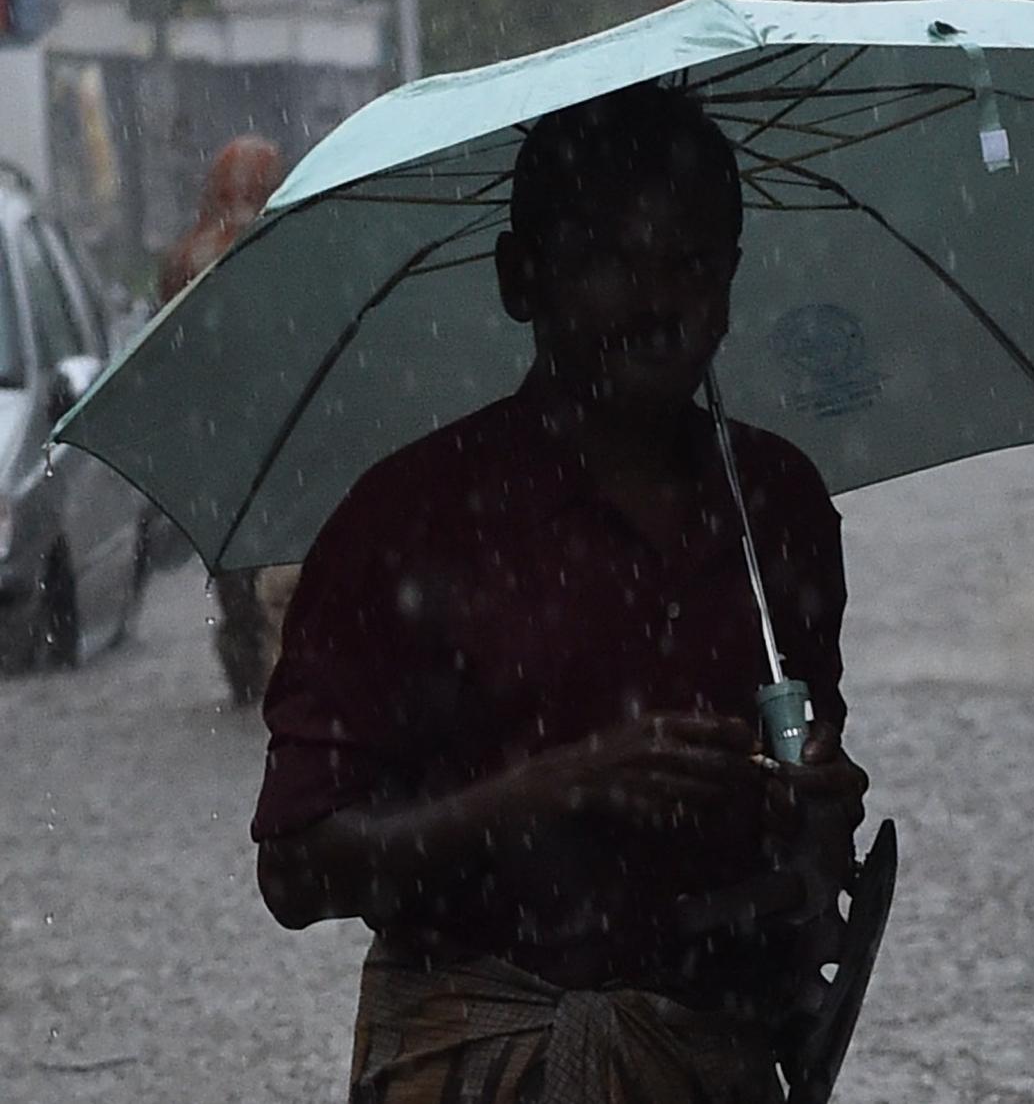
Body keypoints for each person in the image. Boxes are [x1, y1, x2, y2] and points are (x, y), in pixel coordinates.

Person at [250, 86, 868, 1102]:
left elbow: (808, 829)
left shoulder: (776, 505)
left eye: (693, 265)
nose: (659, 302)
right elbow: (296, 869)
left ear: (732, 277)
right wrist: (555, 791)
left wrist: (816, 807)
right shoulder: (405, 523)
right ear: (520, 278)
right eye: (612, 261)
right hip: (472, 1065)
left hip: (708, 1066)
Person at [160, 135, 300, 706]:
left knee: (242, 575)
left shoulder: (189, 258)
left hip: (226, 446)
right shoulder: (285, 248)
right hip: (262, 441)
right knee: (262, 578)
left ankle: (254, 666)